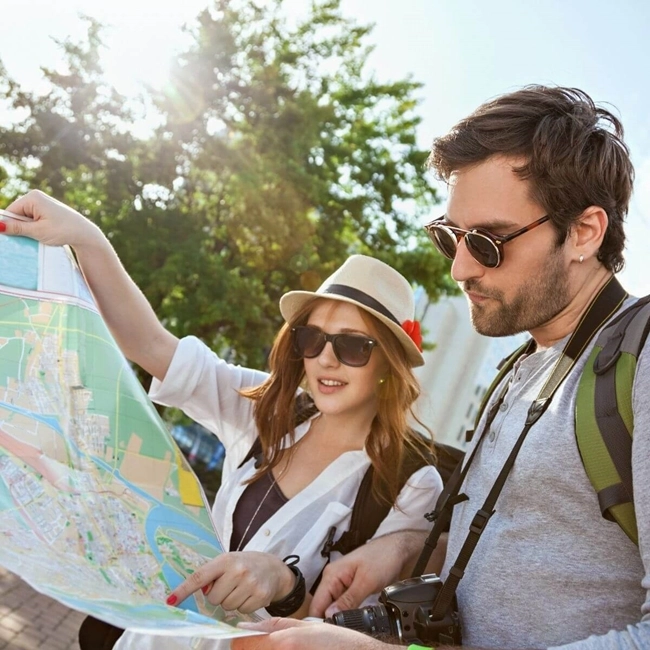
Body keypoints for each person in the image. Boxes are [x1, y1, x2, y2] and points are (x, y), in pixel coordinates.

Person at [227, 85, 650, 649]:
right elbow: (526, 549)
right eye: (450, 236)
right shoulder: (519, 369)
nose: (459, 268)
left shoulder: (638, 363)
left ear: (583, 232)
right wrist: (402, 550)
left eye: (488, 242)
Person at [0, 199, 443, 649]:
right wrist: (87, 237)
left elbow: (346, 631)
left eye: (352, 346)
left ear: (388, 361)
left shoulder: (410, 482)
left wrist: (285, 586)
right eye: (311, 338)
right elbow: (151, 344)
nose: (325, 358)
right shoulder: (267, 406)